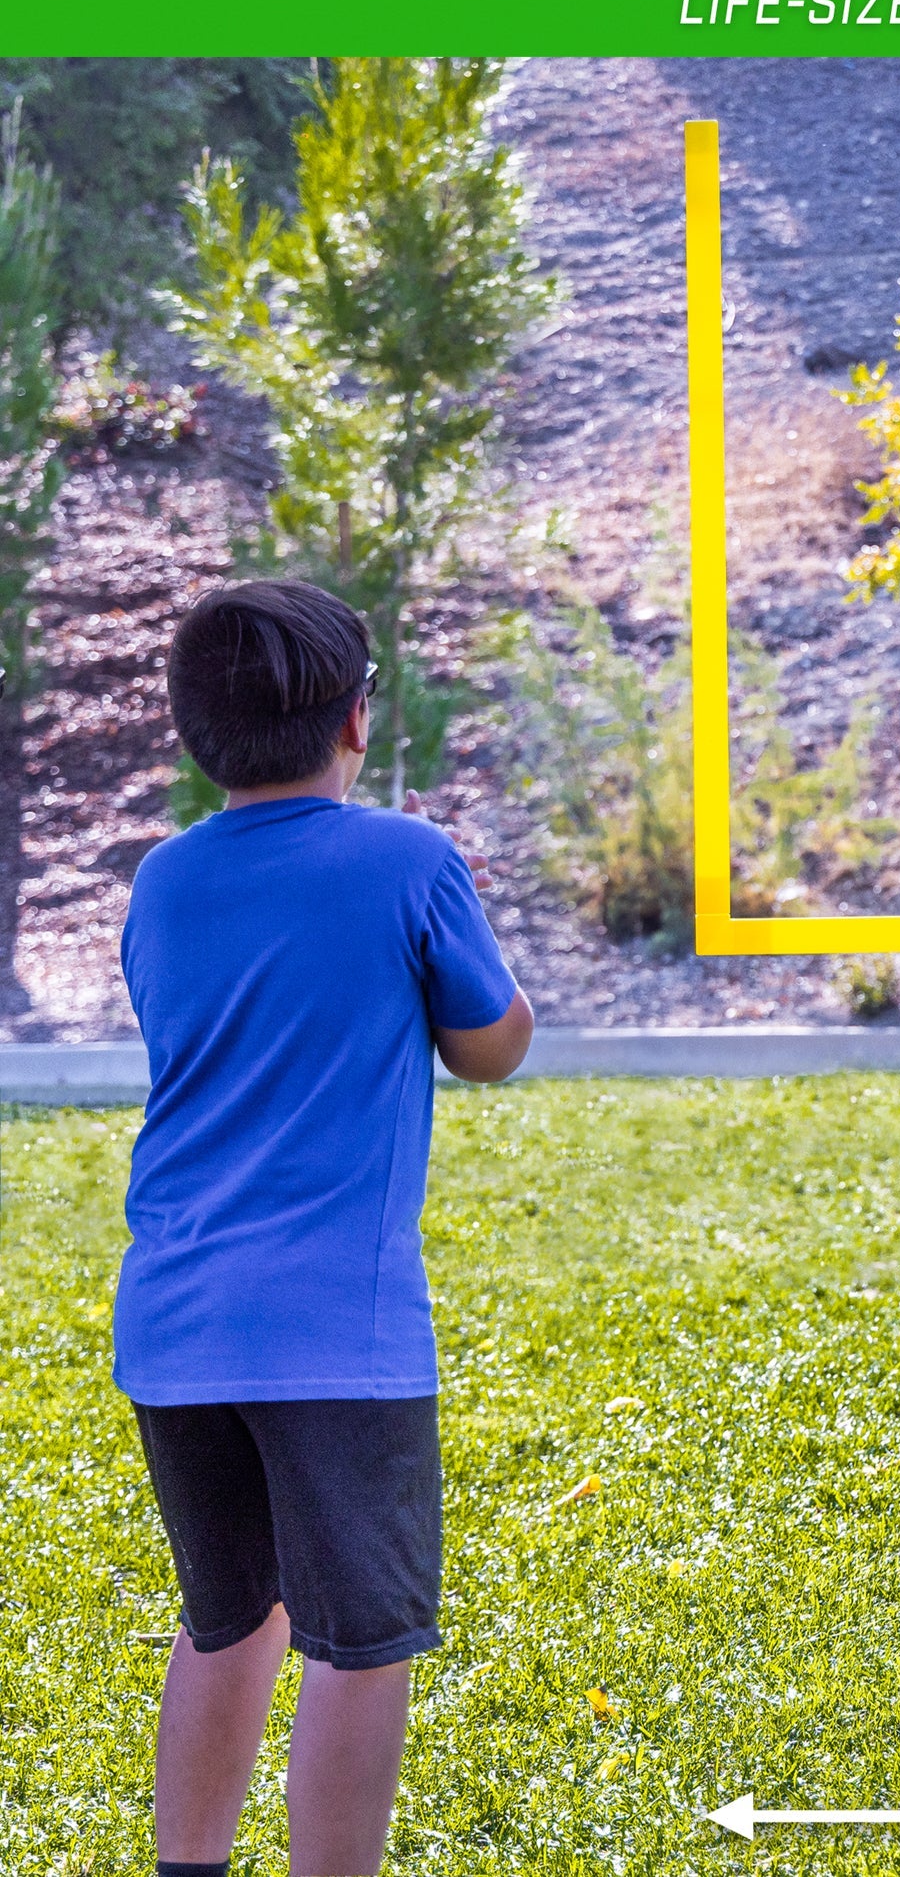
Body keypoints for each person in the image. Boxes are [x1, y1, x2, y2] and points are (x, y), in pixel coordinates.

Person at [115, 580, 533, 1877]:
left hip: (177, 1324)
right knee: (362, 1645)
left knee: (229, 1616)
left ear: (196, 736)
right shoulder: (411, 860)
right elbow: (492, 1045)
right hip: (337, 1339)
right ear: (358, 718)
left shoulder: (164, 879)